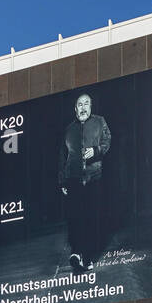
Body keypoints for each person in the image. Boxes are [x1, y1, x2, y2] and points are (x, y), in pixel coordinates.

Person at [59, 92, 112, 269]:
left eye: (86, 104)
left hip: (94, 177)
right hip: (73, 179)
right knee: (75, 218)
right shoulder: (69, 129)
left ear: (91, 106)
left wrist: (95, 151)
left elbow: (107, 141)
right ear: (75, 109)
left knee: (91, 218)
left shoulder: (99, 122)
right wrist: (62, 181)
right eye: (79, 105)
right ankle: (76, 253)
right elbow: (62, 157)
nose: (83, 108)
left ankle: (87, 257)